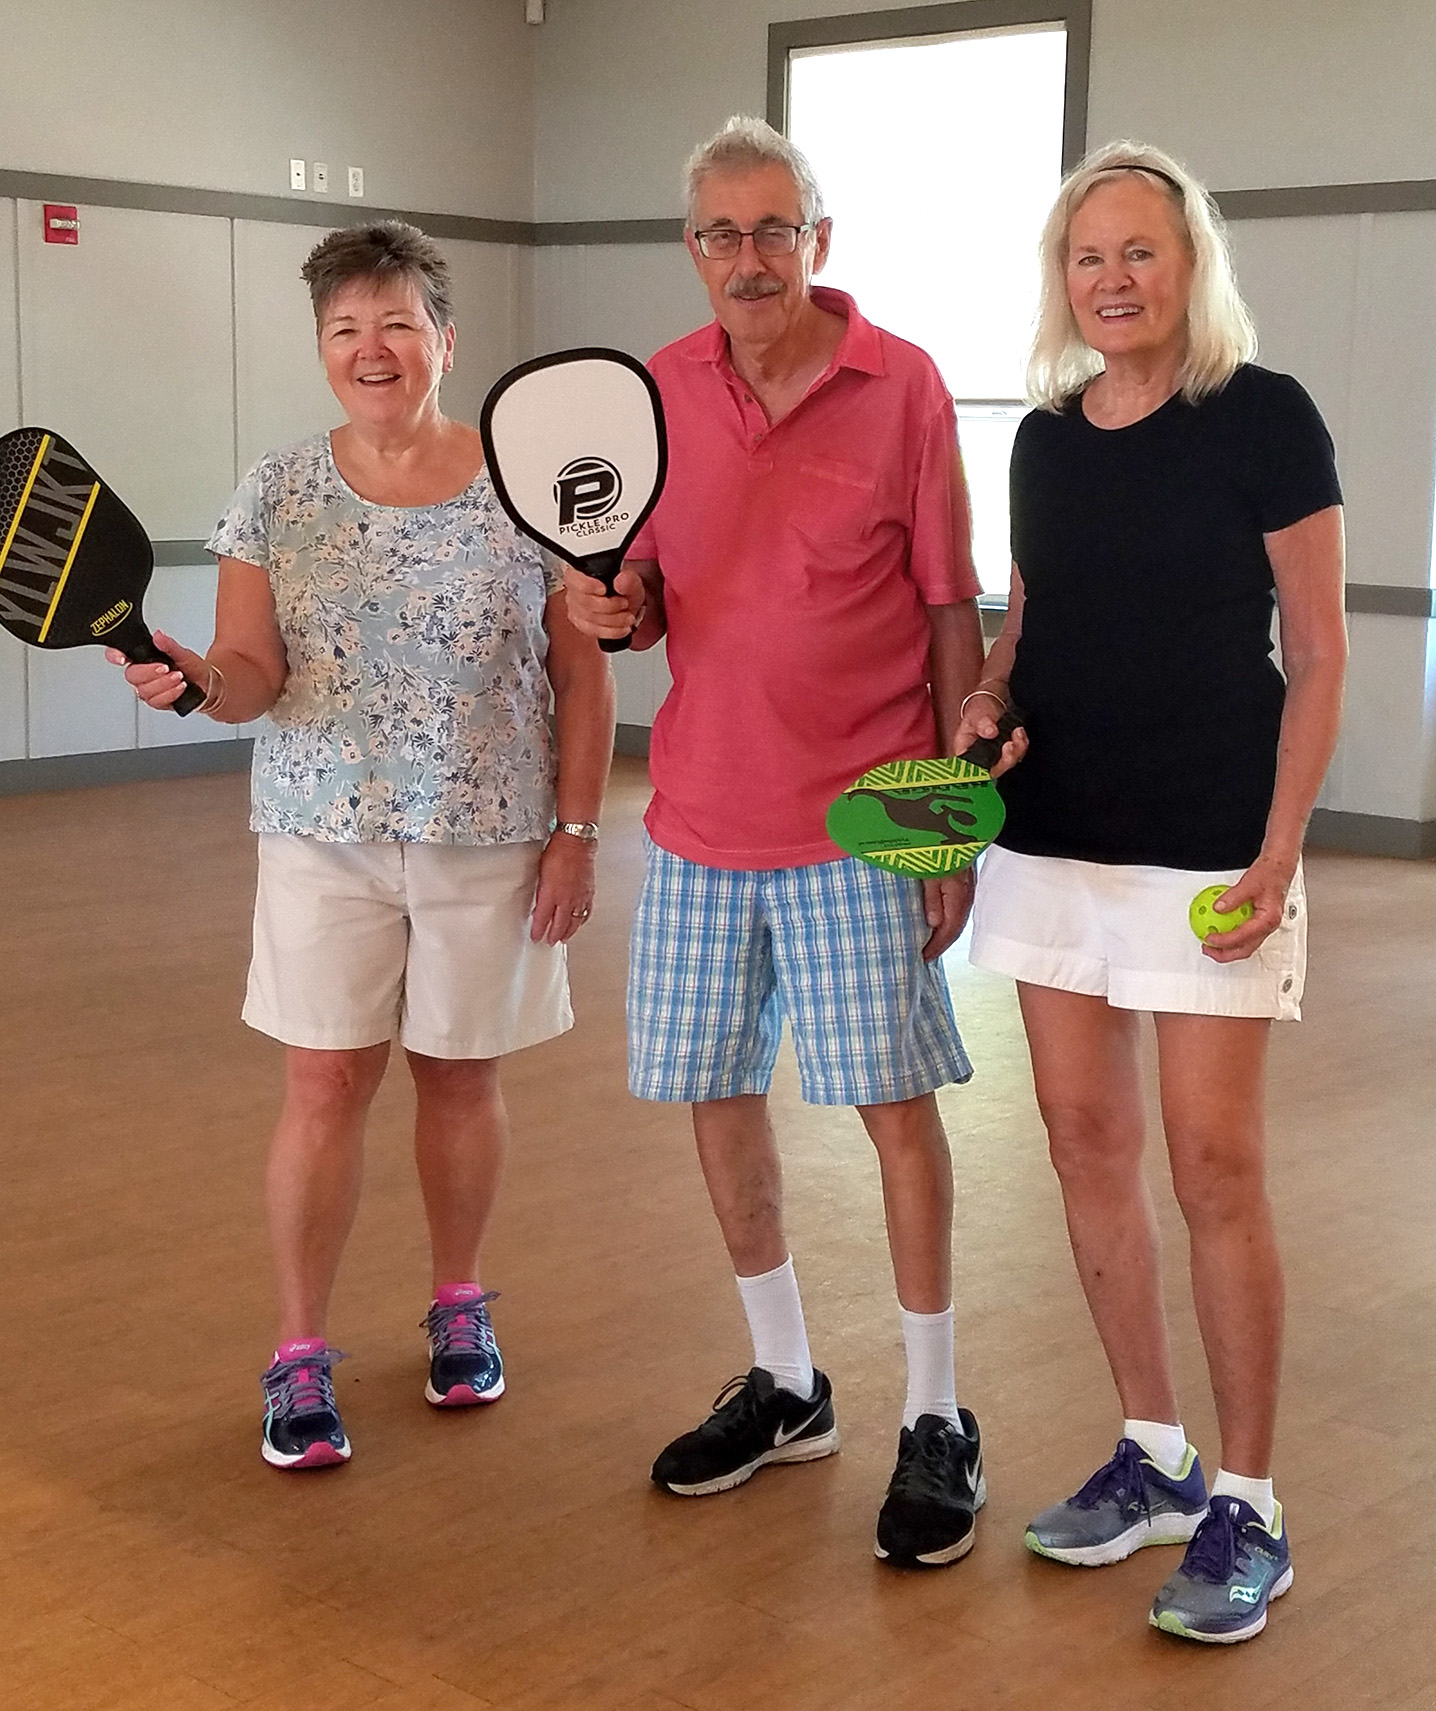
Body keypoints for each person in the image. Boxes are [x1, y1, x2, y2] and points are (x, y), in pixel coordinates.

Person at [110, 221, 613, 1470]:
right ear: (323, 349)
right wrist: (192, 681)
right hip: (320, 836)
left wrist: (576, 834)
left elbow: (580, 677)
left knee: (461, 1078)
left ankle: (458, 1305)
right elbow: (250, 677)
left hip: (488, 832)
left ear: (445, 340)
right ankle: (298, 1356)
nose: (371, 348)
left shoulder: (525, 488)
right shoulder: (275, 493)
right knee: (324, 1087)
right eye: (345, 329)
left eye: (396, 323)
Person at [564, 116, 988, 1568]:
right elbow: (634, 590)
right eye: (719, 236)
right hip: (693, 821)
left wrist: (949, 833)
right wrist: (603, 610)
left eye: (774, 230)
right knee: (717, 1095)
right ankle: (789, 1380)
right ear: (692, 251)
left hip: (868, 822)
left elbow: (948, 611)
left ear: (821, 238)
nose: (748, 259)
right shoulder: (654, 392)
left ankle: (936, 1409)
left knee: (893, 1110)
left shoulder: (908, 384)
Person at [960, 141, 1346, 1642]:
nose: (1113, 279)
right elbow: (1029, 613)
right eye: (1086, 255)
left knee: (1213, 1167)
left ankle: (1250, 1495)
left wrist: (1282, 844)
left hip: (1209, 843)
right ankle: (1158, 1452)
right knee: (1080, 1141)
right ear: (1063, 278)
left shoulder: (1266, 417)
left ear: (1191, 265)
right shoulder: (1047, 437)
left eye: (1140, 251)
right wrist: (988, 698)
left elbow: (1317, 648)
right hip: (1053, 832)